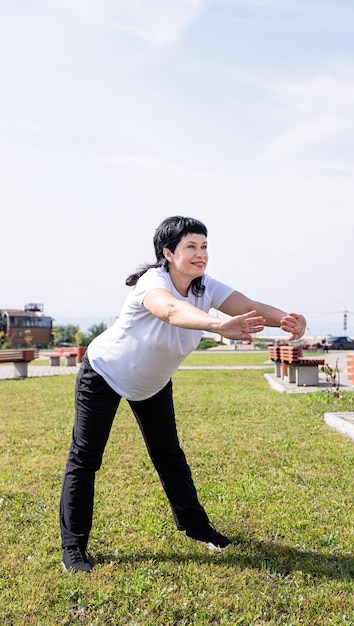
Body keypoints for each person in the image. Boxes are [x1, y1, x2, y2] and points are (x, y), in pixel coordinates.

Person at [60, 216, 306, 573]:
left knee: (169, 456)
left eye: (204, 246)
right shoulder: (152, 282)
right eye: (191, 246)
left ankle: (196, 528)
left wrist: (288, 319)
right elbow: (172, 311)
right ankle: (73, 548)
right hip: (104, 373)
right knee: (86, 459)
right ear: (168, 253)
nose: (200, 253)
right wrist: (218, 325)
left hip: (152, 383)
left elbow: (249, 305)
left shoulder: (207, 288)